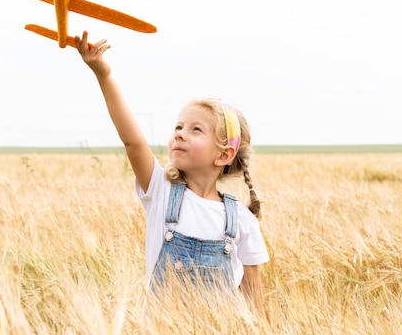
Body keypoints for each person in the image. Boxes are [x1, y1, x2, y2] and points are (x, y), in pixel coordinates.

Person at [74, 31, 270, 317]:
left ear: (224, 155)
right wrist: (103, 74)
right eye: (178, 127)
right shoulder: (161, 191)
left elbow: (254, 301)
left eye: (196, 130)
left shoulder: (242, 220)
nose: (180, 135)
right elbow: (133, 141)